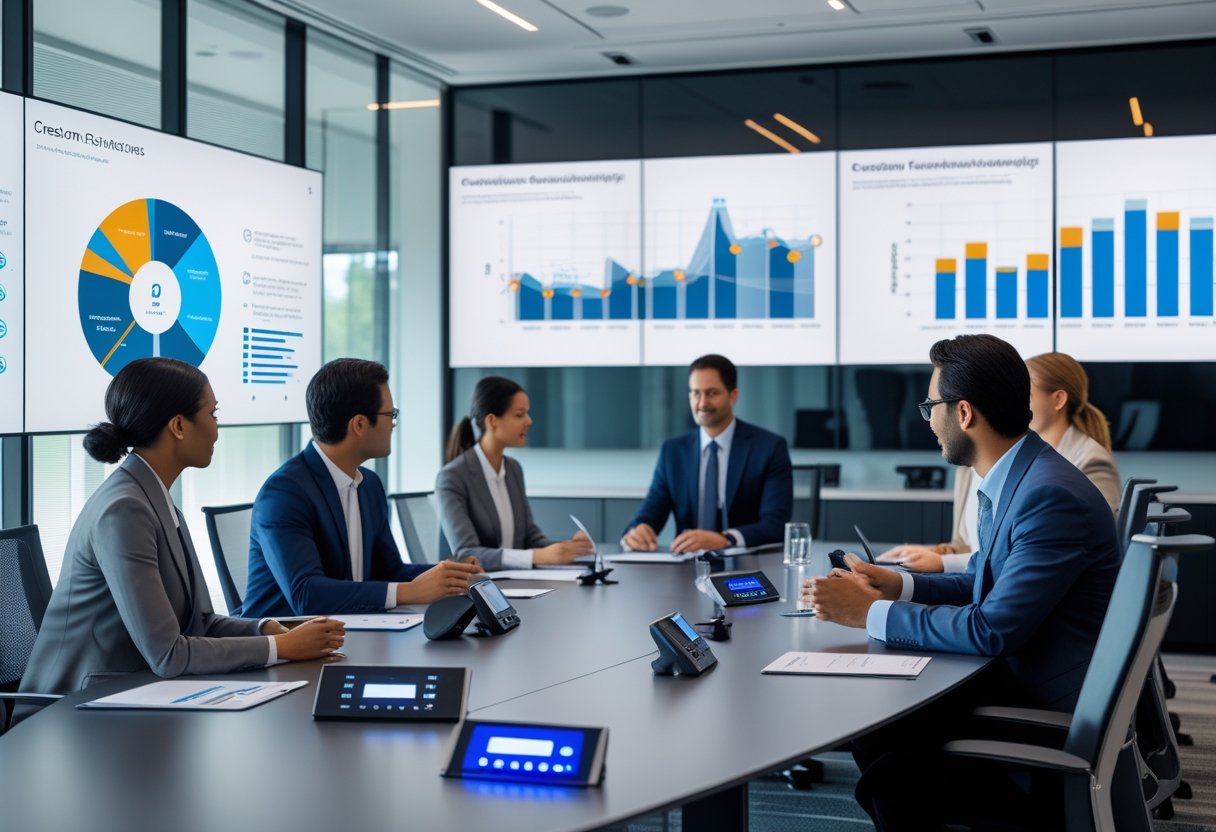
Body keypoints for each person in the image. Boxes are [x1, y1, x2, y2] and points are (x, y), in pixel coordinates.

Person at [804, 334, 1120, 829]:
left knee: (891, 758)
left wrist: (867, 613)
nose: (928, 419)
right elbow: (983, 580)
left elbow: (992, 628)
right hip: (1020, 676)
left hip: (1041, 711)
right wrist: (897, 586)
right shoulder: (1022, 476)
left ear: (965, 413)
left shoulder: (1048, 496)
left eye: (931, 405)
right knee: (877, 723)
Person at [20, 358, 345, 696]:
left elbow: (200, 623)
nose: (217, 429)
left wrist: (268, 630)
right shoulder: (124, 509)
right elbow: (169, 654)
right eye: (213, 415)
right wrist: (283, 648)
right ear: (178, 425)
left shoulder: (156, 498)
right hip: (73, 709)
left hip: (133, 693)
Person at [242, 359, 480, 618]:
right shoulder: (285, 493)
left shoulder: (370, 485)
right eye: (390, 415)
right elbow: (306, 594)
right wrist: (409, 592)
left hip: (350, 634)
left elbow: (388, 572)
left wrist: (450, 574)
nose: (393, 424)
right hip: (285, 649)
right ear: (359, 424)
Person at [878, 350, 1120, 572]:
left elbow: (1065, 554)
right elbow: (970, 545)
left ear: (1057, 400)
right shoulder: (977, 463)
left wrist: (942, 563)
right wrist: (931, 555)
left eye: (1025, 392)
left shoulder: (1078, 467)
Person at [622, 354, 793, 553]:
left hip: (748, 567)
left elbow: (776, 525)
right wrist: (639, 531)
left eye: (712, 393)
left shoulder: (769, 447)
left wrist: (725, 539)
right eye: (696, 393)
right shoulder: (673, 452)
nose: (702, 403)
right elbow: (650, 513)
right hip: (687, 570)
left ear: (733, 395)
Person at [435, 376, 594, 572]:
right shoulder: (452, 477)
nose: (529, 421)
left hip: (517, 583)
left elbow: (531, 539)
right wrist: (539, 556)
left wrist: (567, 548)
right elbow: (467, 554)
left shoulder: (513, 469)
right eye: (519, 415)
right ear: (492, 421)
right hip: (477, 591)